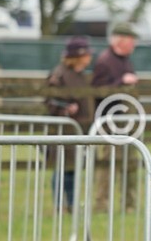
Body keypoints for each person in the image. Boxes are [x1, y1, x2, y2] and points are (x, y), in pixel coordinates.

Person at [91, 22, 141, 210]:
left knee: (130, 162)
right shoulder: (105, 61)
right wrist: (122, 81)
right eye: (131, 40)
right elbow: (97, 90)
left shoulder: (125, 60)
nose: (133, 44)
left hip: (126, 121)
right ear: (121, 40)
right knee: (107, 164)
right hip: (109, 122)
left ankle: (129, 203)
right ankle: (102, 203)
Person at [43, 36, 94, 211]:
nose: (89, 57)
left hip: (78, 130)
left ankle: (72, 204)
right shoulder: (59, 74)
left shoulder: (81, 75)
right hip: (62, 131)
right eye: (86, 54)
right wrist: (65, 108)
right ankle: (59, 204)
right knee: (61, 169)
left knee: (73, 169)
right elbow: (49, 100)